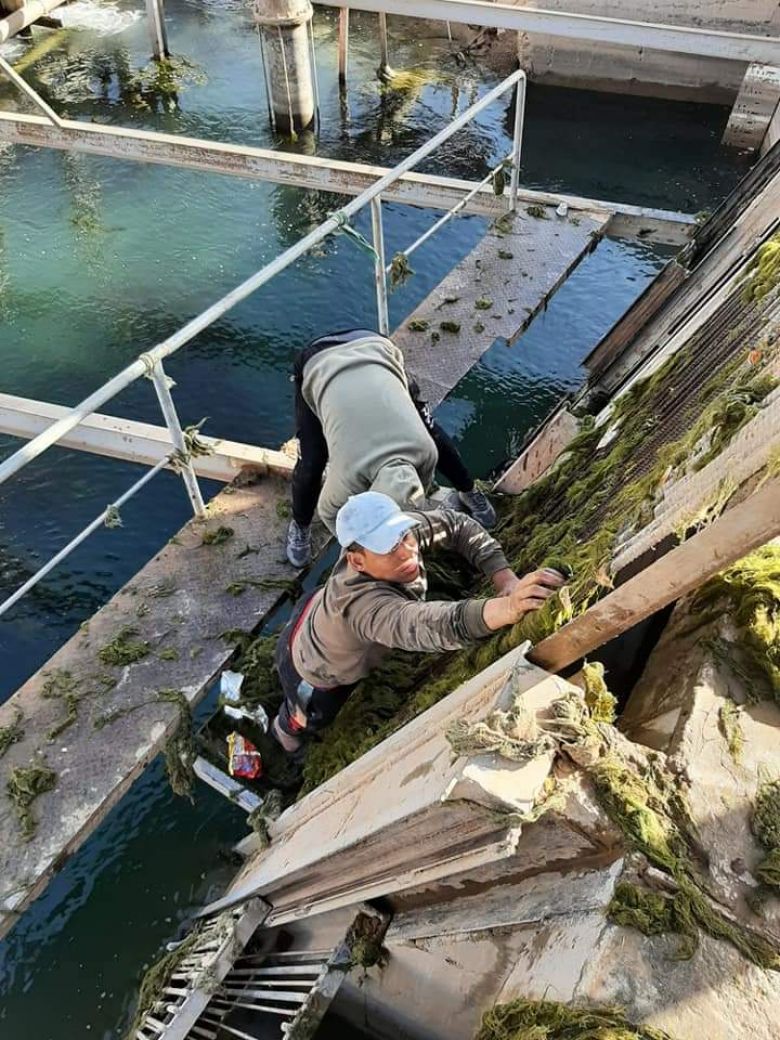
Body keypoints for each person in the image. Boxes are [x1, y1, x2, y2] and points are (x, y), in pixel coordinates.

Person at [271, 490, 565, 756]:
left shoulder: (401, 533)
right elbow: (431, 625)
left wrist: (505, 579)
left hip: (313, 609)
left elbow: (456, 525)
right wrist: (508, 607)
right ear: (357, 561)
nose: (406, 551)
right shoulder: (364, 609)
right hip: (311, 670)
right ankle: (283, 734)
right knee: (307, 719)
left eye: (404, 537)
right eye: (387, 548)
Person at [285, 328, 497, 568]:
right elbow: (330, 515)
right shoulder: (348, 477)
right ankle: (300, 524)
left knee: (431, 431)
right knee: (312, 461)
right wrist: (360, 552)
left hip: (379, 350)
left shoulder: (425, 451)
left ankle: (468, 491)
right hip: (319, 361)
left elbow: (421, 489)